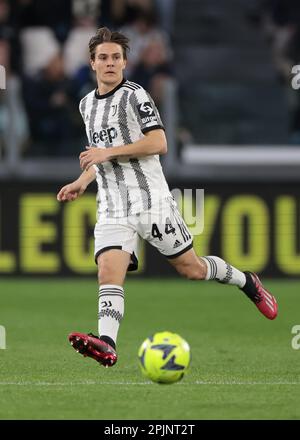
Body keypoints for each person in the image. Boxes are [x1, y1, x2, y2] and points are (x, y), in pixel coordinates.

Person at [56, 27, 278, 368]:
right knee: (108, 270)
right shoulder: (87, 105)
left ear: (125, 62)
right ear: (92, 63)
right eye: (104, 58)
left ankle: (247, 281)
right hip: (113, 205)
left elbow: (159, 143)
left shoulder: (136, 96)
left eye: (116, 57)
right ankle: (107, 342)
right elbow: (100, 156)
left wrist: (106, 154)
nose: (110, 63)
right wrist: (83, 180)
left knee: (192, 268)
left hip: (150, 200)